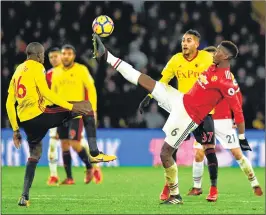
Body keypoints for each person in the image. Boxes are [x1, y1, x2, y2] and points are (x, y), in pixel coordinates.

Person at [92, 34, 252, 204]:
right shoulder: (210, 65)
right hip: (179, 99)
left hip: (190, 116)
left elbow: (237, 110)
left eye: (218, 51)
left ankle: (175, 195)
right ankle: (107, 56)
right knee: (145, 80)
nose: (214, 52)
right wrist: (151, 96)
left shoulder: (227, 82)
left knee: (165, 153)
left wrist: (241, 137)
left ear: (225, 56)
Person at [6, 42, 91, 207]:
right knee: (84, 106)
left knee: (35, 153)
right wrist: (71, 107)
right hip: (41, 115)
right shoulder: (38, 67)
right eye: (43, 54)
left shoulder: (17, 71)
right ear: (38, 55)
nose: (43, 57)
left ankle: (24, 196)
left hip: (26, 122)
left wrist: (15, 130)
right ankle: (91, 151)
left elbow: (9, 103)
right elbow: (47, 93)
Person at [138, 30, 218, 201]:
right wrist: (149, 96)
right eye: (183, 40)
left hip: (205, 112)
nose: (184, 43)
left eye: (189, 40)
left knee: (209, 150)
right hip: (184, 111)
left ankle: (213, 189)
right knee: (171, 148)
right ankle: (168, 186)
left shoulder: (206, 58)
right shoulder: (176, 60)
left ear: (196, 44)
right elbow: (163, 81)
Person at [188, 47, 263, 196]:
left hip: (223, 119)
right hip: (206, 118)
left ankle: (254, 182)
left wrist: (235, 117)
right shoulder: (202, 75)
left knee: (237, 153)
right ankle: (197, 187)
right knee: (198, 154)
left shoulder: (227, 75)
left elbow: (237, 96)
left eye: (212, 56)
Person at [46, 47, 103, 185]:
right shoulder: (55, 73)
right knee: (64, 144)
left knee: (74, 143)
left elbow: (91, 87)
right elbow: (53, 93)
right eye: (64, 54)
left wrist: (93, 109)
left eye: (69, 54)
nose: (66, 56)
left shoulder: (81, 69)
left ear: (74, 55)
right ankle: (69, 178)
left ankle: (90, 167)